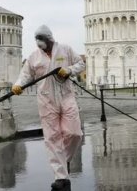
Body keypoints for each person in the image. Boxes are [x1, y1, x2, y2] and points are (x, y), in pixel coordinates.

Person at [12, 25, 85, 191]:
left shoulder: (65, 50)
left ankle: (63, 160)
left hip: (66, 96)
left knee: (74, 133)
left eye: (44, 42)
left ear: (50, 39)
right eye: (39, 44)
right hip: (46, 100)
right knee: (52, 137)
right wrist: (17, 85)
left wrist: (69, 70)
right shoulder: (34, 57)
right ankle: (61, 177)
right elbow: (25, 75)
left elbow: (81, 64)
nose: (42, 46)